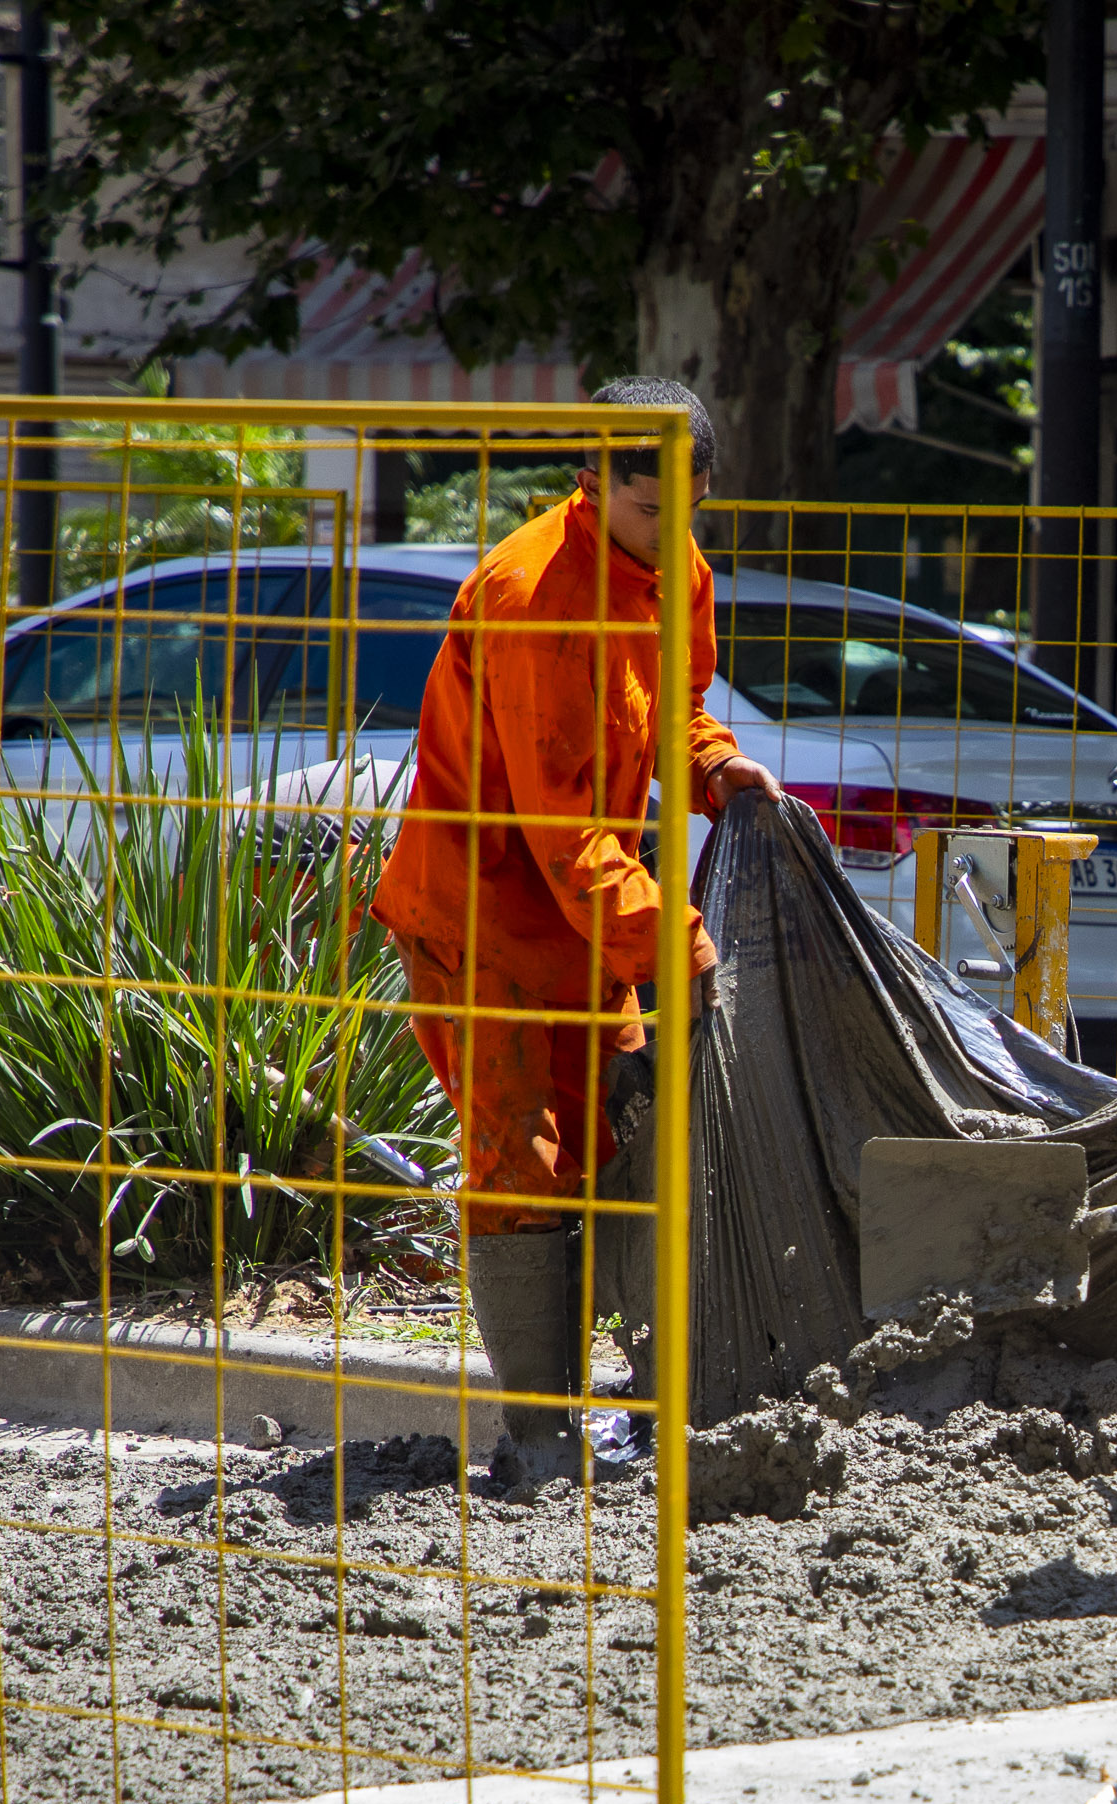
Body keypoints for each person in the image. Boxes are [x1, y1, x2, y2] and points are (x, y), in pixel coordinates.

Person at [371, 375, 775, 1469]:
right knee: (522, 1161)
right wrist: (680, 945)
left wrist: (718, 766)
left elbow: (676, 707)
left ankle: (608, 1402)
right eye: (651, 508)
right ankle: (537, 1436)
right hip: (484, 914)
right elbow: (560, 834)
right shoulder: (537, 596)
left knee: (613, 1137)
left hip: (578, 912)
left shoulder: (671, 567)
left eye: (689, 506)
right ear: (592, 481)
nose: (674, 530)